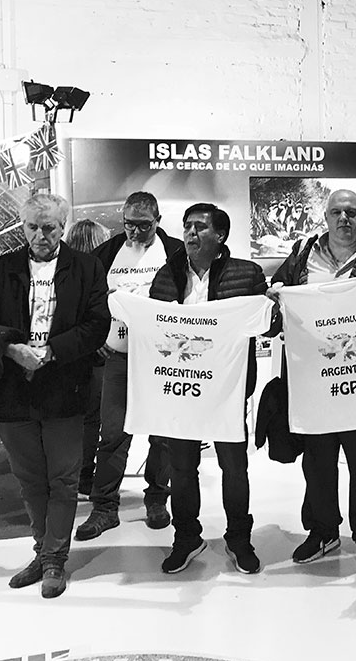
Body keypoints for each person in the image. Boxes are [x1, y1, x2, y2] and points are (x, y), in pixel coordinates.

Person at [0, 194, 110, 598]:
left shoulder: (87, 268)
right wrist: (11, 350)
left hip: (65, 386)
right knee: (29, 479)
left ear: (63, 227)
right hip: (13, 389)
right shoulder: (1, 270)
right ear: (23, 227)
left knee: (63, 478)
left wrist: (51, 351)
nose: (40, 235)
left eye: (49, 228)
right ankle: (43, 551)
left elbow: (97, 325)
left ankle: (55, 558)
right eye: (32, 227)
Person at [269, 189, 356, 573]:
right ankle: (322, 530)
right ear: (325, 217)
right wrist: (275, 298)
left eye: (352, 212)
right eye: (336, 211)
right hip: (313, 379)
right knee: (318, 462)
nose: (344, 218)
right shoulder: (303, 254)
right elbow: (277, 295)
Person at [149, 203, 270, 574]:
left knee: (234, 468)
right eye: (187, 225)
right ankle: (186, 537)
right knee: (182, 468)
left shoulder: (247, 274)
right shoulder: (167, 275)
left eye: (200, 226)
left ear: (220, 235)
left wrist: (272, 309)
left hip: (227, 392)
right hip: (182, 389)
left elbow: (267, 327)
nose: (190, 232)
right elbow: (155, 328)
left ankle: (239, 538)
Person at [77, 192, 182, 540]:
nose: (135, 232)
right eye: (129, 225)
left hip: (161, 357)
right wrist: (95, 338)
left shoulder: (174, 252)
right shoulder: (107, 253)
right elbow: (87, 299)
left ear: (157, 221)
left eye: (143, 226)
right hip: (118, 356)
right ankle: (104, 507)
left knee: (162, 434)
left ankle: (157, 499)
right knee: (112, 434)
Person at [65, 218, 113, 499]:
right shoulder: (99, 273)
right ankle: (85, 475)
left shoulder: (66, 273)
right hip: (97, 356)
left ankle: (75, 473)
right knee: (93, 418)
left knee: (77, 418)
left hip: (70, 354)